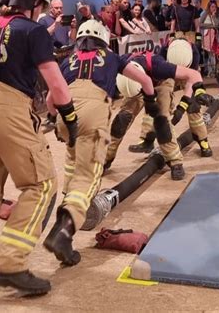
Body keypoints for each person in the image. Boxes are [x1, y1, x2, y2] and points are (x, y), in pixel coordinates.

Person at [0, 0, 77, 296]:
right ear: (32, 3)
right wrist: (69, 118)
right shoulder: (33, 30)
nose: (41, 12)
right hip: (10, 110)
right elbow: (56, 83)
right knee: (41, 185)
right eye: (40, 6)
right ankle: (10, 264)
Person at [43, 19, 162, 263]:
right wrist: (150, 101)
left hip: (67, 113)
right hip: (93, 113)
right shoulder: (112, 57)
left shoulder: (68, 61)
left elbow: (49, 99)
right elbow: (146, 82)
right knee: (88, 175)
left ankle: (69, 205)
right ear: (104, 39)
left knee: (73, 162)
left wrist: (55, 120)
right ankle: (63, 230)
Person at [104, 47, 215, 181]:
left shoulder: (160, 66)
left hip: (160, 83)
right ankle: (105, 159)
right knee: (121, 120)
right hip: (135, 86)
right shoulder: (120, 66)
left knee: (162, 122)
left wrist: (199, 92)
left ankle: (175, 162)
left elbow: (193, 74)